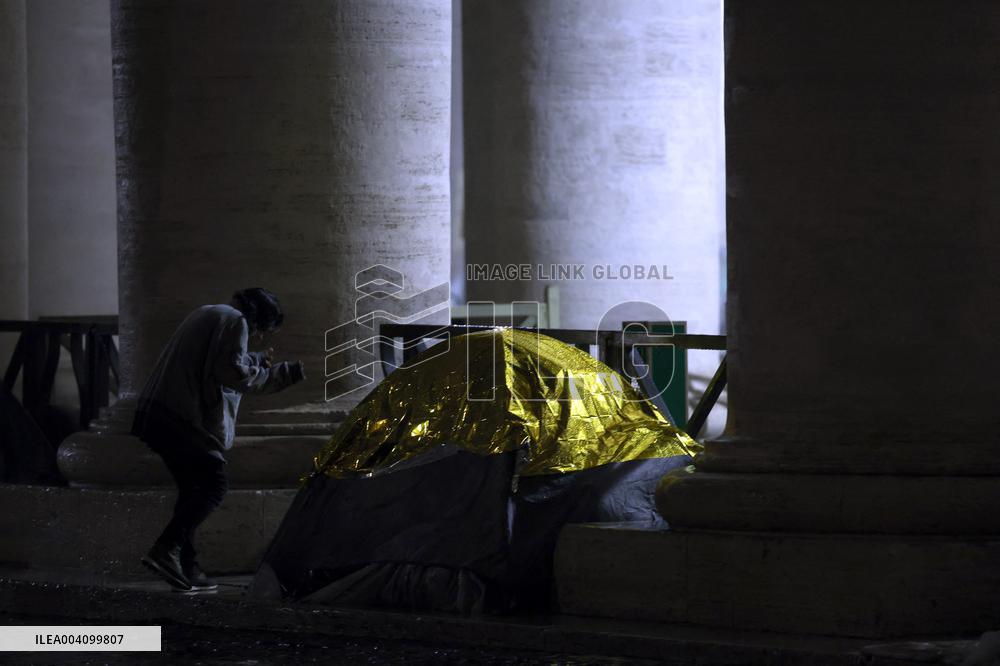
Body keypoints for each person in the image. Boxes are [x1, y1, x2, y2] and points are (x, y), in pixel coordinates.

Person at [132, 288, 306, 591]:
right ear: (258, 318)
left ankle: (188, 567)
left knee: (192, 491)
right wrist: (281, 374)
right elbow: (231, 375)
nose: (260, 338)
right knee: (214, 486)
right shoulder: (236, 321)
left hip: (159, 414)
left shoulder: (211, 312)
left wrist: (254, 359)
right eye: (263, 331)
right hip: (181, 418)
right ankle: (166, 549)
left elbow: (214, 361)